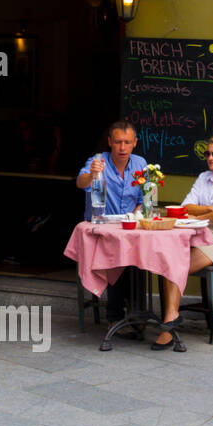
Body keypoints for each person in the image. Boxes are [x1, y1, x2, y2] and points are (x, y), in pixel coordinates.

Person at [152, 134, 213, 350]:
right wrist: (210, 210)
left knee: (176, 265)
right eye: (207, 153)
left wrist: (207, 213)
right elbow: (186, 207)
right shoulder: (203, 177)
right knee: (169, 262)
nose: (210, 158)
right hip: (196, 232)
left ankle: (168, 326)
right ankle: (172, 318)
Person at [76, 120, 148, 321]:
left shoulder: (140, 164)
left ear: (134, 142)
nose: (122, 147)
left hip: (130, 229)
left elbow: (144, 199)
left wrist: (136, 214)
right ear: (109, 142)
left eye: (126, 142)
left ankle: (136, 313)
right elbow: (80, 183)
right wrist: (92, 174)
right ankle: (116, 315)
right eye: (117, 142)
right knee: (117, 255)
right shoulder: (98, 161)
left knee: (140, 255)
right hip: (104, 230)